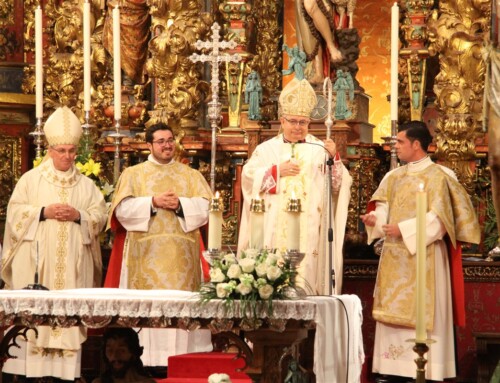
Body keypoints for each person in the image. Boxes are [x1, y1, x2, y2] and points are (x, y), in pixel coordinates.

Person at [360, 121, 480, 381]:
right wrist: (375, 221)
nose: (396, 147)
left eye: (400, 142)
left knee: (426, 313)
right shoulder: (393, 176)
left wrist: (403, 229)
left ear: (416, 144)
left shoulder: (442, 176)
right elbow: (382, 210)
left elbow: (441, 221)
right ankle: (392, 369)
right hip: (394, 258)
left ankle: (430, 369)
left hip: (427, 257)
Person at [1, 106, 108, 380]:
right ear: (49, 150)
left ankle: (65, 376)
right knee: (36, 322)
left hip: (73, 269)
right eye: (61, 151)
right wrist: (41, 212)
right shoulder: (30, 180)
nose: (68, 156)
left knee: (68, 321)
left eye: (72, 151)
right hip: (38, 265)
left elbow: (100, 217)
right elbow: (13, 215)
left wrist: (79, 215)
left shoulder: (86, 186)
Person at [105, 122, 213, 368]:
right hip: (145, 259)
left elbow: (208, 208)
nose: (167, 145)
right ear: (149, 145)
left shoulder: (191, 175)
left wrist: (181, 205)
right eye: (161, 141)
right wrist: (153, 202)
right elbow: (122, 211)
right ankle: (148, 363)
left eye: (170, 140)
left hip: (182, 262)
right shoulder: (133, 174)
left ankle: (184, 363)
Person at [238, 77, 352, 295]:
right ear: (282, 121)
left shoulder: (319, 148)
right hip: (272, 228)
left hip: (308, 230)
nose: (298, 127)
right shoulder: (266, 149)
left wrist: (334, 158)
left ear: (309, 123)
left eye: (303, 122)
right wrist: (276, 171)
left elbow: (338, 185)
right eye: (293, 121)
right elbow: (248, 177)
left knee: (305, 277)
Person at [103, 0, 151, 85]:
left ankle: (129, 80)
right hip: (115, 6)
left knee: (134, 46)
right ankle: (113, 79)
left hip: (138, 11)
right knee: (113, 44)